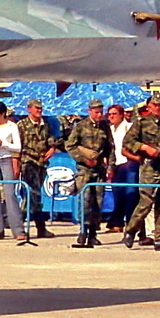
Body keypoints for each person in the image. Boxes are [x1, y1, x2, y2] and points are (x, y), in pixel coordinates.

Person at [123, 93, 160, 248]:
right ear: (150, 106)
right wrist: (143, 147)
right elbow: (128, 141)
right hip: (149, 166)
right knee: (146, 202)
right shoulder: (141, 123)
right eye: (155, 105)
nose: (158, 108)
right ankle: (131, 230)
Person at [65, 98, 114, 246]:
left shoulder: (105, 126)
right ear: (90, 111)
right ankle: (83, 231)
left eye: (101, 112)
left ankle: (93, 233)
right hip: (84, 169)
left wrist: (110, 166)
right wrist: (84, 159)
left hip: (99, 169)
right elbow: (70, 146)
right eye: (96, 112)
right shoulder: (80, 126)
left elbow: (110, 147)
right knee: (84, 201)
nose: (99, 115)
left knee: (98, 202)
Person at [0, 101, 31, 245]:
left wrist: (3, 144)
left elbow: (18, 147)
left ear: (3, 114)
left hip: (6, 158)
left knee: (10, 193)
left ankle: (18, 230)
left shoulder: (12, 126)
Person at [17, 98, 57, 238]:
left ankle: (18, 225)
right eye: (36, 108)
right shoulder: (21, 125)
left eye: (40, 108)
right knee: (33, 194)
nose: (39, 111)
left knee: (32, 196)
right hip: (29, 162)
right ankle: (37, 227)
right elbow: (18, 146)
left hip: (42, 164)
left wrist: (52, 148)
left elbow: (50, 138)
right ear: (29, 109)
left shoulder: (45, 124)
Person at [105, 103, 136, 234]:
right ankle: (117, 223)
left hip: (128, 163)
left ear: (122, 115)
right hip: (115, 164)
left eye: (114, 114)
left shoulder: (129, 127)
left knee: (130, 194)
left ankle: (131, 223)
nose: (112, 116)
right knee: (117, 195)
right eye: (110, 114)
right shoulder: (109, 129)